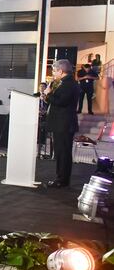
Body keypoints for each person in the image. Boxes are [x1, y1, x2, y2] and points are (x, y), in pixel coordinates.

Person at [43, 59, 80, 188]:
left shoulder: (68, 84)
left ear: (61, 70)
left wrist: (47, 95)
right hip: (61, 123)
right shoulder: (64, 83)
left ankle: (62, 180)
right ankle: (61, 178)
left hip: (63, 124)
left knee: (63, 152)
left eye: (54, 70)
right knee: (61, 152)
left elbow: (62, 102)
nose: (53, 73)